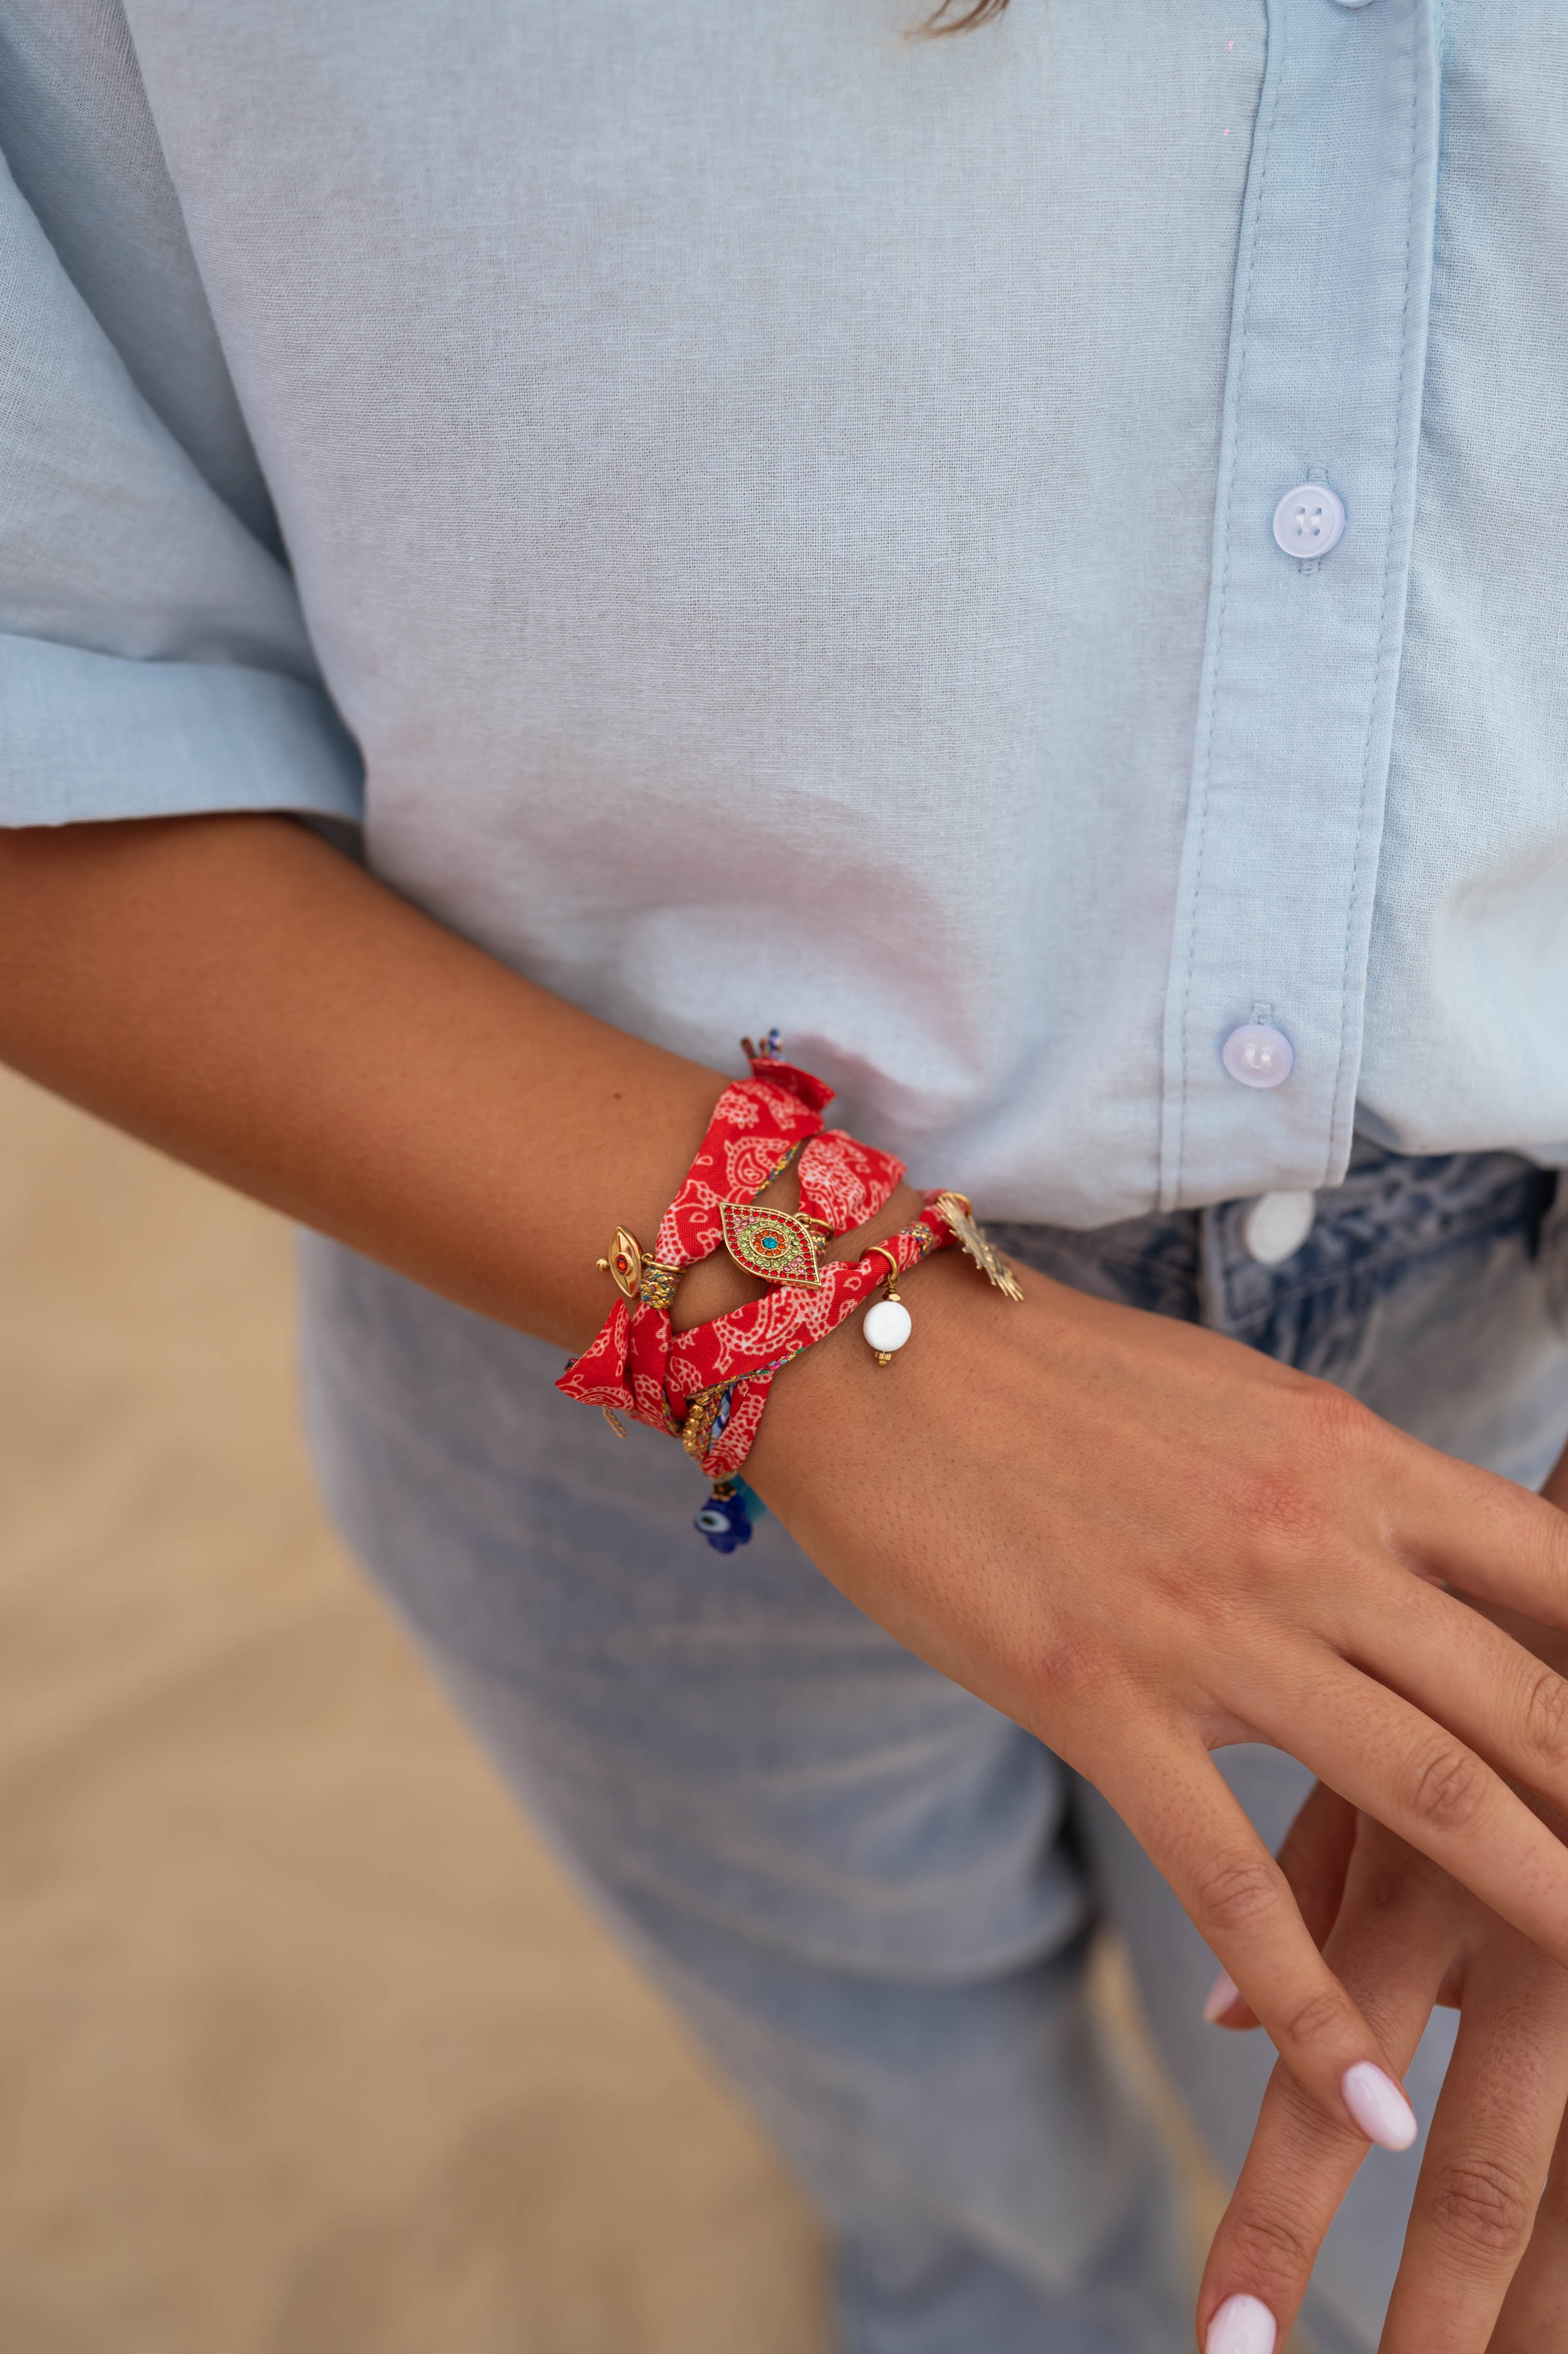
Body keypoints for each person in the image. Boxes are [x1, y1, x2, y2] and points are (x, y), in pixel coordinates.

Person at [2, 2, 1566, 2347]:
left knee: (1397, 2196)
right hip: (587, 1308)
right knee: (905, 2106)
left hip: (1493, 1376)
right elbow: (51, 685)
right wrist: (833, 1327)